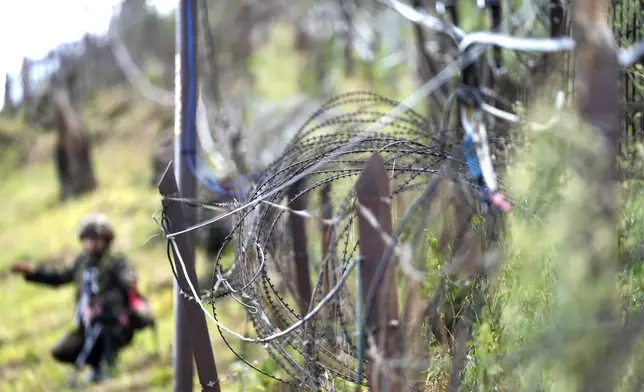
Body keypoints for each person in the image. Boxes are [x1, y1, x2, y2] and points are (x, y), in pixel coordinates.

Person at [10, 213, 149, 384]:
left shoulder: (116, 262)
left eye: (97, 238)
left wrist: (125, 284)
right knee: (62, 350)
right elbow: (59, 277)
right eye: (89, 239)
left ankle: (107, 367)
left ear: (106, 239)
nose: (92, 243)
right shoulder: (82, 263)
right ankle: (95, 364)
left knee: (107, 328)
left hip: (116, 324)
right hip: (87, 325)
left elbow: (127, 282)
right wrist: (33, 272)